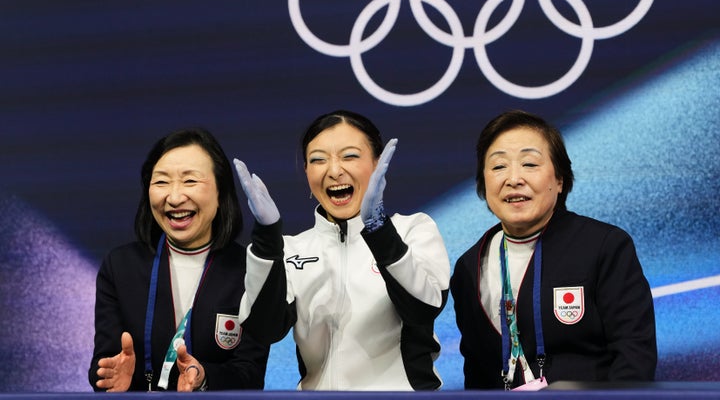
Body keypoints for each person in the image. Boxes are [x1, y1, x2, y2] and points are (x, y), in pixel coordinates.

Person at [233, 110, 450, 390]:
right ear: (307, 173)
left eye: (349, 156)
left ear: (377, 164)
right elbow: (264, 329)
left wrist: (378, 228)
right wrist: (267, 237)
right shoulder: (290, 248)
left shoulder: (414, 229)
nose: (334, 171)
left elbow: (422, 308)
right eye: (318, 160)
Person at [450, 110, 657, 390]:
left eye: (529, 164)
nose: (513, 178)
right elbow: (476, 373)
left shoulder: (604, 246)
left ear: (559, 180)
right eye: (499, 167)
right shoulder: (469, 266)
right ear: (483, 183)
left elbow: (634, 356)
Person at [89, 128, 269, 392]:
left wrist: (205, 377)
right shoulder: (121, 267)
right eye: (161, 182)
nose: (174, 197)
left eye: (190, 181)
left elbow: (250, 374)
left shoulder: (249, 269)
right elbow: (103, 366)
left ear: (221, 192)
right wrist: (111, 379)